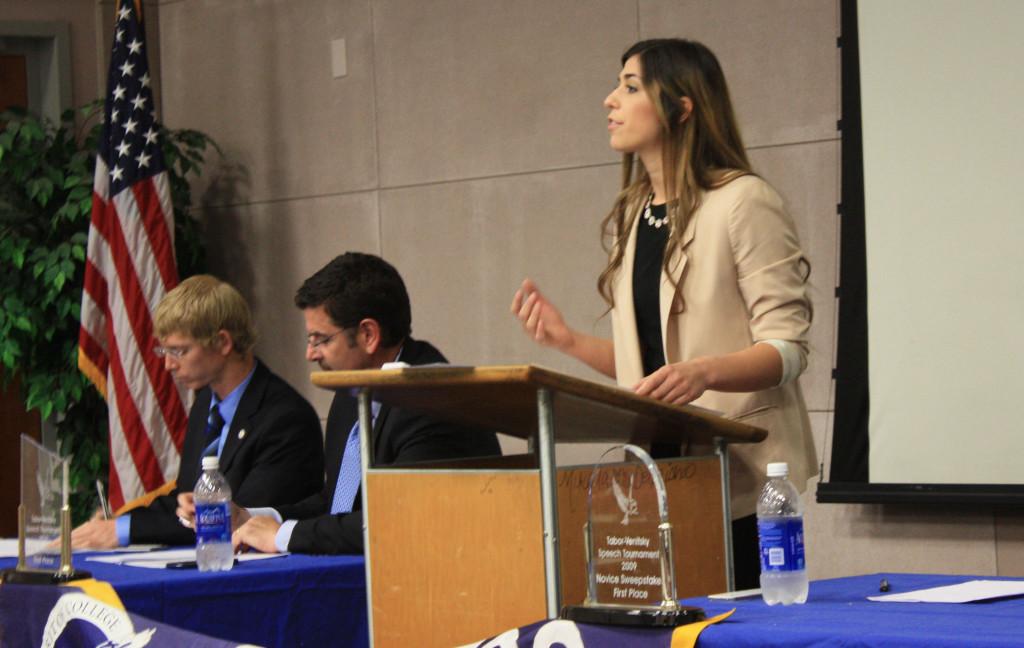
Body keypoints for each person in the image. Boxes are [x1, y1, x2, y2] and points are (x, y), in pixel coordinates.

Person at [510, 39, 816, 589]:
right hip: (656, 480)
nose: (610, 100)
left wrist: (704, 372)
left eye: (630, 86)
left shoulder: (744, 202)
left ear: (681, 107)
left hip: (740, 481)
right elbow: (650, 373)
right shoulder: (634, 214)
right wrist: (567, 342)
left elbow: (789, 351)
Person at [180, 252, 501, 555]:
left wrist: (281, 535)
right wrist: (250, 517)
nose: (310, 354)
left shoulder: (432, 399)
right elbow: (336, 503)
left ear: (368, 335)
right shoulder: (352, 394)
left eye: (321, 339)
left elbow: (394, 521)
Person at [71, 275, 324, 548]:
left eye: (179, 351)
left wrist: (125, 530)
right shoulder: (205, 405)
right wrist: (117, 521)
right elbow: (187, 500)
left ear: (223, 343)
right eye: (164, 351)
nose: (168, 364)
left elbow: (233, 518)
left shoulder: (285, 418)